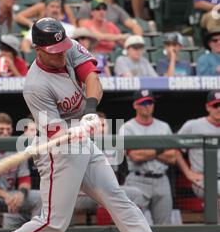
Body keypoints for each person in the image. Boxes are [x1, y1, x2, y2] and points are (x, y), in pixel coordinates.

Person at [0, 17, 181, 232]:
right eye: (53, 52)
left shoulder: (68, 46)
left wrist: (89, 110)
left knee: (121, 203)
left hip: (83, 140)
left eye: (62, 47)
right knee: (53, 224)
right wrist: (75, 130)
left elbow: (92, 79)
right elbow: (57, 135)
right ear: (37, 50)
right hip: (58, 150)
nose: (61, 54)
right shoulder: (35, 86)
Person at [75, 111, 147, 218]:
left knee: (136, 194)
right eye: (97, 125)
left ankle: (126, 229)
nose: (101, 128)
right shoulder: (79, 146)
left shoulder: (113, 147)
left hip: (105, 190)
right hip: (82, 194)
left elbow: (120, 173)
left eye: (103, 125)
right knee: (105, 194)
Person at [121, 90, 176, 225]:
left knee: (164, 227)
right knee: (134, 224)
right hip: (137, 180)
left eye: (150, 102)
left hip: (161, 179)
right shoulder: (127, 127)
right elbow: (135, 156)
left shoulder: (164, 126)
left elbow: (172, 157)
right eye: (143, 103)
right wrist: (160, 149)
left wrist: (147, 152)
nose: (147, 106)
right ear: (135, 105)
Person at [176, 90, 220, 222]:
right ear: (208, 107)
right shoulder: (193, 125)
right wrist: (188, 173)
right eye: (215, 105)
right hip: (203, 178)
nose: (219, 109)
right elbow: (175, 149)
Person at [77, 0, 143, 36]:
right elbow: (83, 30)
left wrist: (138, 39)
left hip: (115, 44)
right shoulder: (86, 7)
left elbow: (133, 25)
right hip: (94, 44)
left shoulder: (116, 8)